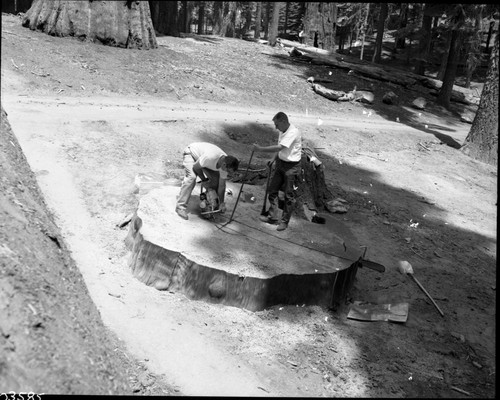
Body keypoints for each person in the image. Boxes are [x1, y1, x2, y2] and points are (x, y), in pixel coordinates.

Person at [253, 112, 302, 232]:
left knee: (289, 196)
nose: (275, 127)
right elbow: (280, 148)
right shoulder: (282, 130)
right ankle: (273, 217)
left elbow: (280, 147)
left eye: (276, 124)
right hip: (281, 163)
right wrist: (273, 159)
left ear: (284, 121)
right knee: (272, 190)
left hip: (292, 167)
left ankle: (284, 222)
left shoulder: (293, 132)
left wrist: (260, 149)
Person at [175, 142, 239, 220]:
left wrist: (222, 203)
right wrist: (204, 180)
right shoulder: (210, 157)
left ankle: (209, 205)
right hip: (191, 154)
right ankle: (180, 207)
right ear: (224, 165)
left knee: (216, 181)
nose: (228, 173)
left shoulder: (225, 163)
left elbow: (221, 186)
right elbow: (196, 167)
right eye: (228, 171)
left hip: (203, 162)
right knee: (192, 177)